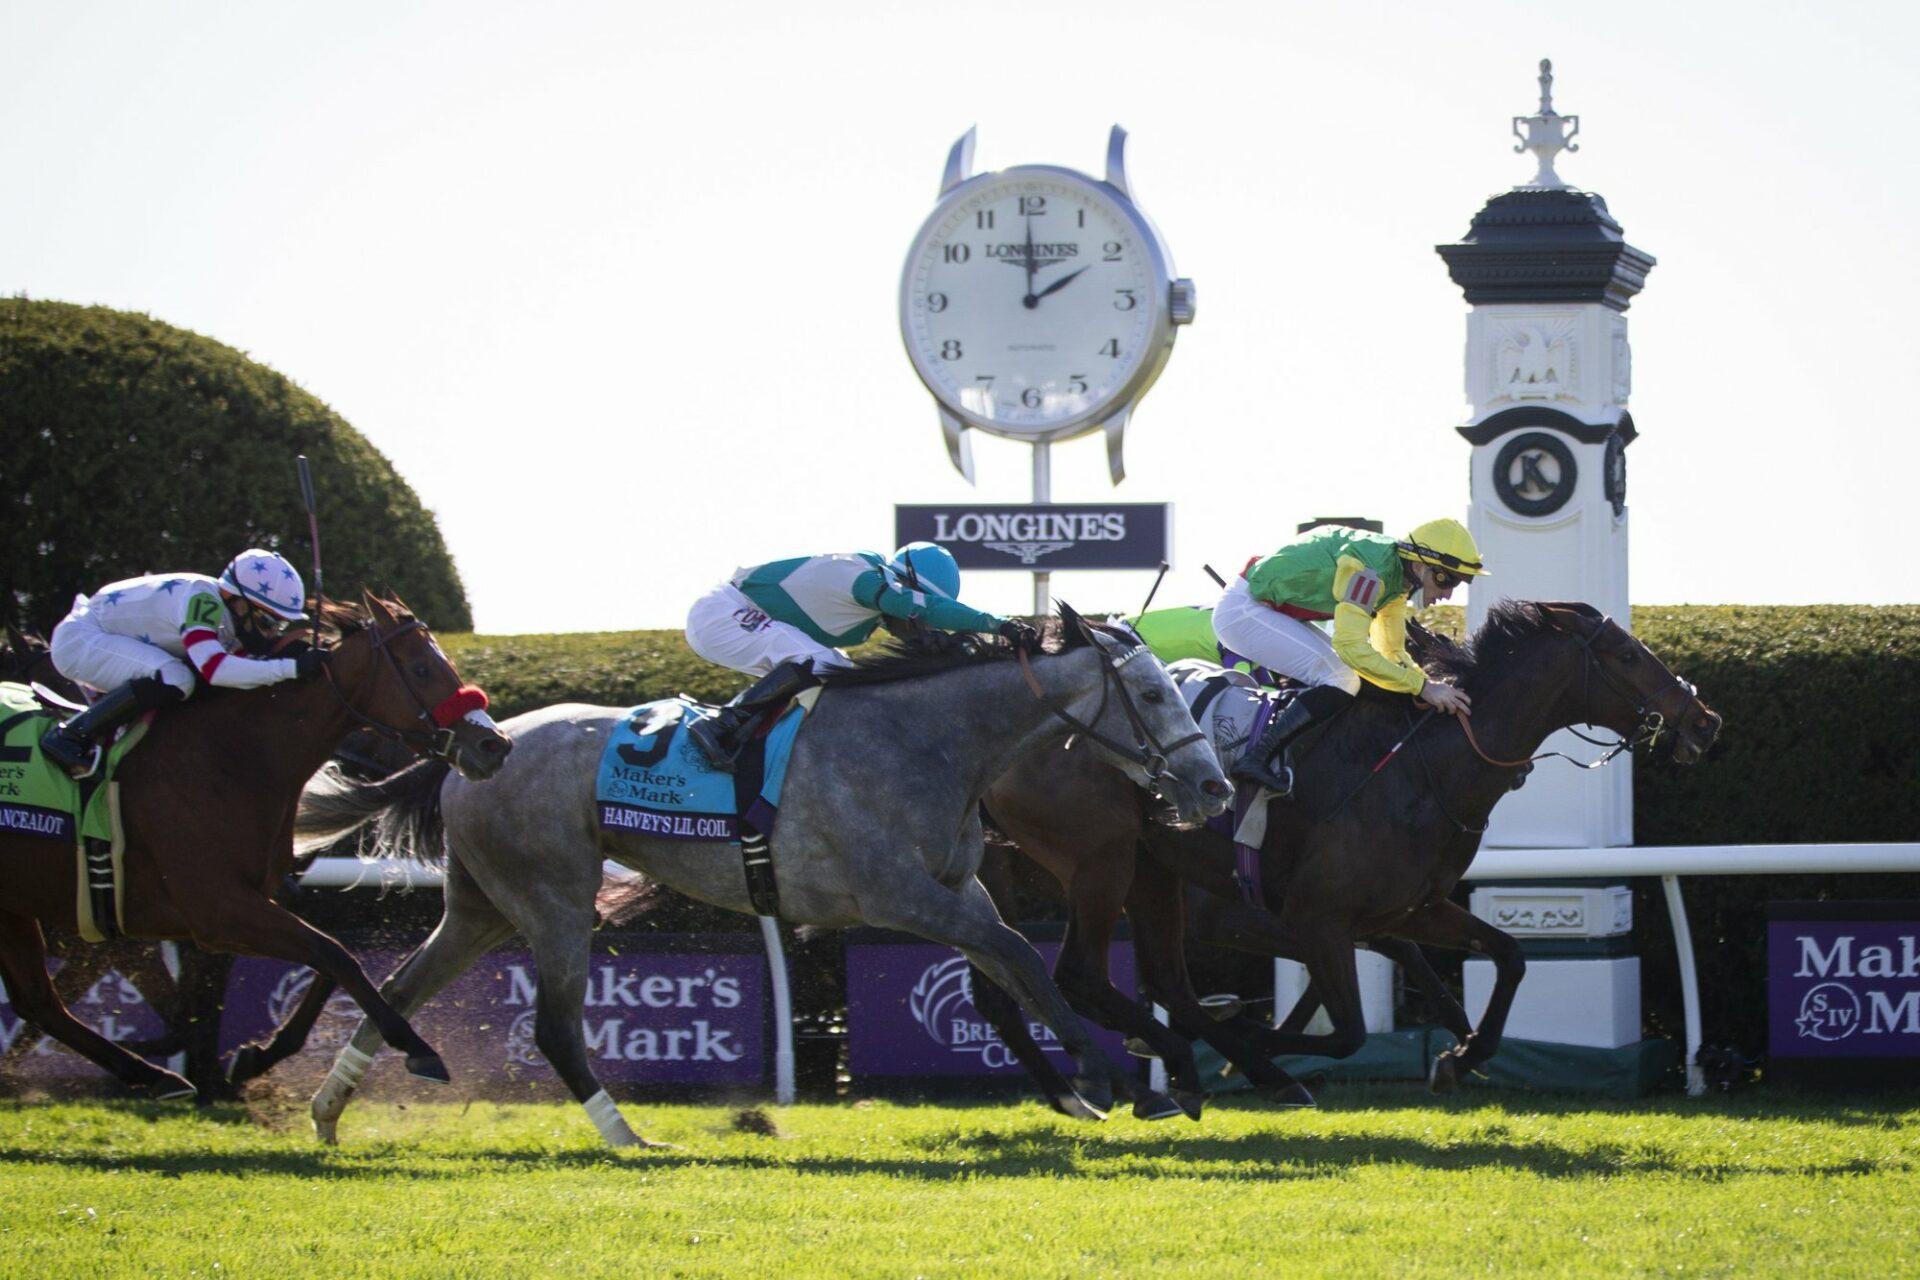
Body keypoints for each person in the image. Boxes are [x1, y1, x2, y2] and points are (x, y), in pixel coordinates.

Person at [684, 542, 1036, 769]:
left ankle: (769, 747)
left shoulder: (871, 591)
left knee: (838, 671)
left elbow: (914, 621)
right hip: (721, 612)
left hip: (734, 616)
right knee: (823, 663)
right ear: (903, 584)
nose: (918, 625)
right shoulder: (865, 578)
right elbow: (916, 607)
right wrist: (998, 625)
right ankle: (721, 727)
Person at [1214, 519, 1488, 794]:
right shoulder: (1370, 574)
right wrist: (1423, 687)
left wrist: (1428, 684)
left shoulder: (1395, 579)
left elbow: (1390, 650)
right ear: (1420, 565)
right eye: (1447, 579)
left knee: (1349, 676)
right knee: (1341, 678)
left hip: (1266, 608)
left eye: (1458, 583)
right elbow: (1351, 648)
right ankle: (1257, 758)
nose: (1449, 593)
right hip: (1243, 612)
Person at [38, 549, 327, 776]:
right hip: (81, 640)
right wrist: (291, 669)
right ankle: (70, 736)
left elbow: (242, 674)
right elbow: (215, 669)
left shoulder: (228, 620)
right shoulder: (203, 599)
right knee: (177, 678)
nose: (269, 633)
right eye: (266, 621)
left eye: (277, 625)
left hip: (110, 640)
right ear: (235, 599)